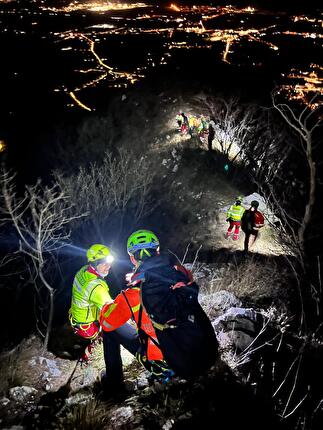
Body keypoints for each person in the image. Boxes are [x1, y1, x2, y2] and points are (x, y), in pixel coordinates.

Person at [101, 230, 218, 379]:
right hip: (205, 352)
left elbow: (107, 322)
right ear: (157, 250)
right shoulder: (182, 274)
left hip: (171, 364)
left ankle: (113, 383)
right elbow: (170, 272)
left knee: (109, 331)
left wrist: (107, 304)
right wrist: (142, 275)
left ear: (132, 258)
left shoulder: (131, 294)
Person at [69, 244, 141, 392]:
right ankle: (88, 353)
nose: (108, 266)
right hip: (87, 326)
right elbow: (113, 312)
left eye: (109, 262)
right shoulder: (96, 287)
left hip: (76, 317)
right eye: (103, 263)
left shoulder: (83, 271)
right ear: (94, 264)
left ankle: (110, 378)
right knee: (109, 329)